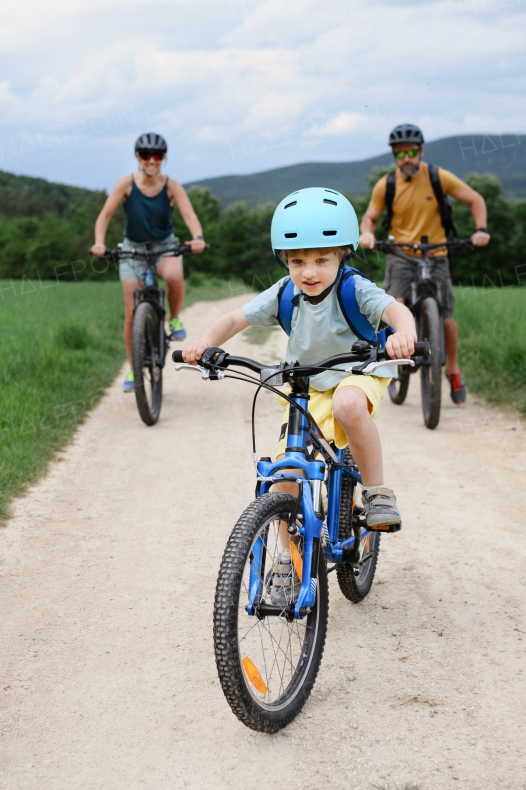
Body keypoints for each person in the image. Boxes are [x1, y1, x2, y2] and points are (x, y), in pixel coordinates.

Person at [181, 187, 417, 535]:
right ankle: (283, 568)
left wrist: (403, 333)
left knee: (348, 405)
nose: (309, 272)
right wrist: (204, 344)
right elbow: (234, 319)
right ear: (285, 260)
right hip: (306, 384)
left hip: (357, 371)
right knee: (285, 477)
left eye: (322, 260)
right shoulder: (285, 293)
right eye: (297, 261)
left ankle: (377, 492)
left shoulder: (354, 289)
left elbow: (395, 310)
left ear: (342, 255)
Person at [358, 123, 490, 405]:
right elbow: (370, 217)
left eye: (412, 151)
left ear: (421, 151)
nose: (406, 158)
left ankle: (453, 370)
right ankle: (392, 364)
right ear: (394, 155)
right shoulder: (387, 184)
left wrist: (481, 230)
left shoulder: (437, 176)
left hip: (436, 251)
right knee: (395, 305)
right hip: (401, 252)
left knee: (446, 317)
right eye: (400, 153)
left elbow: (475, 199)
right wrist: (367, 233)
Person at [91, 132, 207, 393]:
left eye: (157, 156)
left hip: (165, 246)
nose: (152, 160)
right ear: (138, 157)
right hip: (132, 249)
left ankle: (174, 318)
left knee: (175, 277)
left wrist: (197, 237)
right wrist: (99, 242)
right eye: (146, 155)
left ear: (163, 158)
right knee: (132, 312)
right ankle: (134, 368)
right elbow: (104, 216)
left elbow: (189, 215)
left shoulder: (171, 186)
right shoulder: (126, 184)